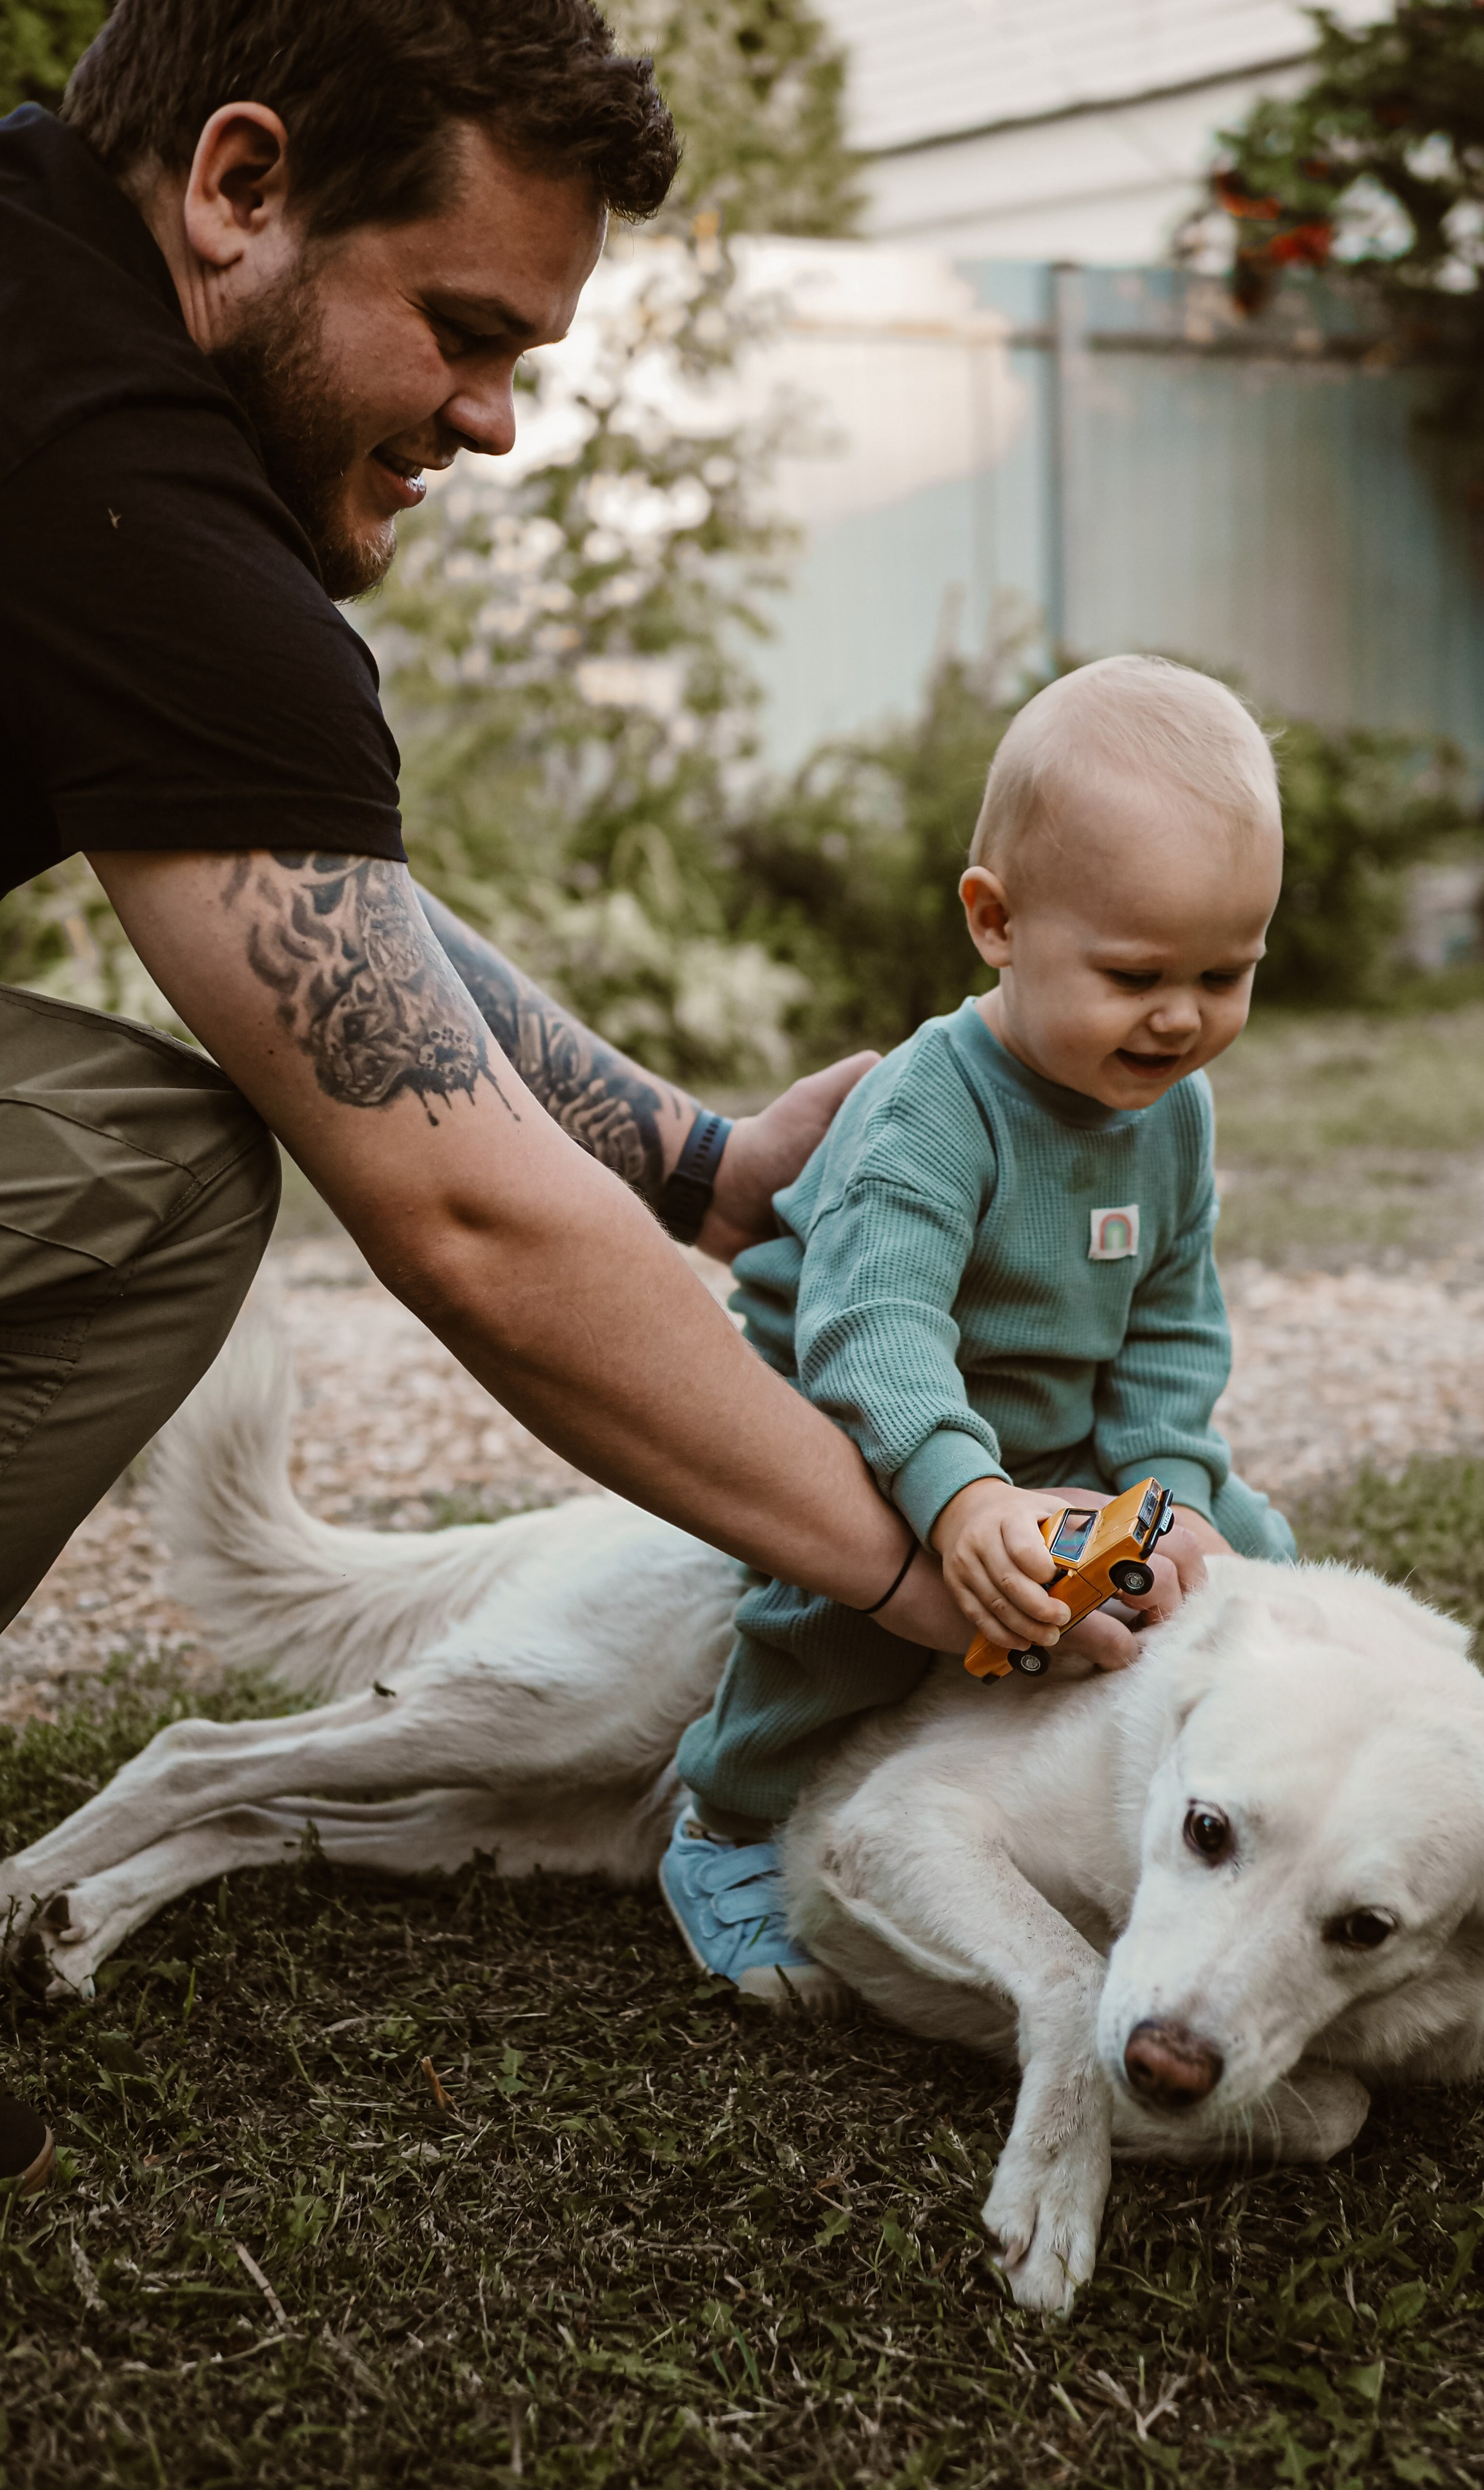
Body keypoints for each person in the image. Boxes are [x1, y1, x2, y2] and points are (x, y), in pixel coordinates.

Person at [0, 0, 1187, 2177]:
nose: (495, 418)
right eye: (464, 327)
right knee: (163, 1176)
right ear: (240, 188)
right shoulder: (120, 483)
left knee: (150, 1150)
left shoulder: (61, 347)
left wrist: (705, 1161)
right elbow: (466, 1221)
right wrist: (933, 1574)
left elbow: (326, 925)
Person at [660, 654, 1295, 2003]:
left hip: (1046, 1435)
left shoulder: (1171, 1112)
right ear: (997, 923)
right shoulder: (931, 1107)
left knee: (1261, 1548)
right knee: (843, 1615)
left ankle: (1215, 1784)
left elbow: (1172, 1326)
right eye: (1133, 972)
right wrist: (959, 1501)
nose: (1181, 1016)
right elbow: (873, 1326)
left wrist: (1168, 1493)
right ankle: (726, 1819)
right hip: (858, 1424)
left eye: (1226, 972)